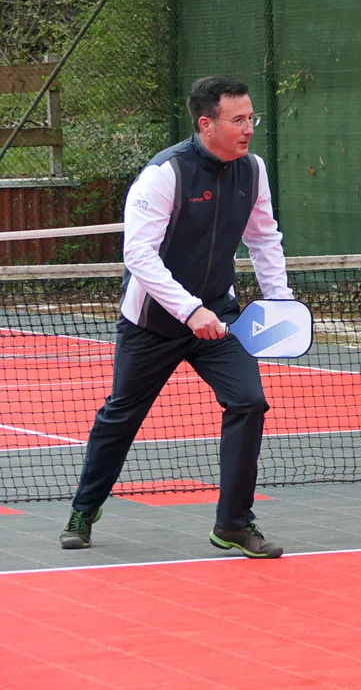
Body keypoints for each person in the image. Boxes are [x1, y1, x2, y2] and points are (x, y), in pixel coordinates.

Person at [59, 76, 293, 559]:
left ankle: (233, 524)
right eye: (238, 120)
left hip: (220, 317)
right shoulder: (164, 174)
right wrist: (189, 310)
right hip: (153, 321)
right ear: (206, 124)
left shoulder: (254, 170)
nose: (249, 128)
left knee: (249, 402)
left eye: (252, 118)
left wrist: (280, 301)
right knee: (121, 415)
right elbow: (138, 255)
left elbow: (264, 238)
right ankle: (84, 508)